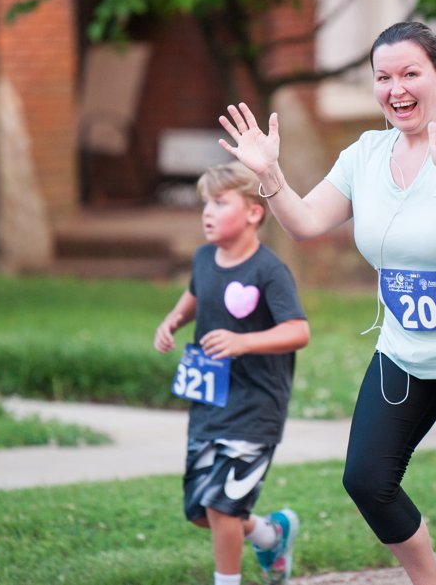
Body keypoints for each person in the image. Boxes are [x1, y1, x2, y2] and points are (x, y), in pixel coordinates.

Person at [217, 21, 436, 585]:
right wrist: (269, 173)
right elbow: (306, 223)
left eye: (410, 73)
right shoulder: (365, 153)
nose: (397, 89)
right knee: (367, 480)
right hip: (405, 350)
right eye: (383, 78)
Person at [154, 161, 311, 585]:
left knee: (222, 506)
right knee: (200, 509)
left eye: (220, 203)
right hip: (209, 401)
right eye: (205, 203)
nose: (207, 211)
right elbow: (196, 293)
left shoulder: (269, 270)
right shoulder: (204, 258)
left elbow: (299, 331)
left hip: (255, 407)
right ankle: (270, 534)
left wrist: (244, 342)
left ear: (253, 213)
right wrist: (173, 320)